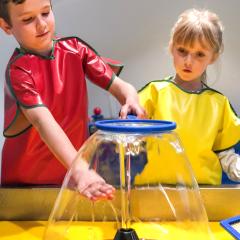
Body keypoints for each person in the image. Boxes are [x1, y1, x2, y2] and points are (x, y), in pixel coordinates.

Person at [0, 0, 145, 201]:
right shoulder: (19, 71)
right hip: (26, 181)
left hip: (74, 175)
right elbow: (43, 122)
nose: (41, 24)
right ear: (6, 26)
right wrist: (79, 169)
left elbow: (122, 87)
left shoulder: (75, 49)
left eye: (45, 12)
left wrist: (131, 99)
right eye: (28, 19)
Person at [137, 8, 240, 185]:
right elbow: (129, 145)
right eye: (182, 50)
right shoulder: (154, 93)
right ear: (172, 47)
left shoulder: (218, 104)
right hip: (156, 193)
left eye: (200, 54)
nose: (188, 61)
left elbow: (226, 156)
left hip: (204, 197)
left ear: (213, 57)